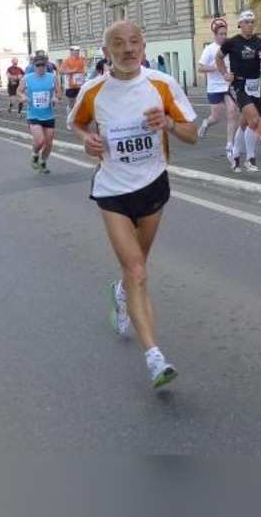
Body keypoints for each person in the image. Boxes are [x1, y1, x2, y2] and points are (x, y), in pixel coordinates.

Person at [68, 20, 198, 390]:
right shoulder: (94, 90)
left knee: (137, 267)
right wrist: (86, 139)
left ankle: (121, 292)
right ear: (106, 51)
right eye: (119, 44)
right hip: (112, 191)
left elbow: (191, 133)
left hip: (153, 185)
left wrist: (169, 124)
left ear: (144, 45)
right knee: (138, 270)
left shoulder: (161, 84)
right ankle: (155, 358)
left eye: (135, 42)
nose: (128, 49)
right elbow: (76, 123)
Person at [216, 10, 261, 173]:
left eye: (252, 22)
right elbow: (218, 57)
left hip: (257, 84)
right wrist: (225, 73)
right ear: (240, 24)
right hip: (239, 84)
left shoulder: (260, 42)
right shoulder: (232, 42)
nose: (249, 25)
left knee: (246, 122)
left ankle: (234, 155)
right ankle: (250, 158)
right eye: (246, 22)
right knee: (254, 120)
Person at [196, 18, 239, 163]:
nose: (224, 36)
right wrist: (216, 67)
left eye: (226, 33)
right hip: (214, 87)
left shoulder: (230, 47)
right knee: (216, 117)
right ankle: (206, 123)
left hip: (226, 86)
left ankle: (229, 145)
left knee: (232, 112)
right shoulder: (209, 49)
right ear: (215, 35)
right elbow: (200, 67)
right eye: (221, 34)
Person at [18, 52, 61, 173]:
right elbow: (19, 91)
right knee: (41, 140)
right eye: (38, 65)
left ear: (46, 65)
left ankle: (43, 162)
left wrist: (56, 98)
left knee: (49, 143)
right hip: (34, 114)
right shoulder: (27, 78)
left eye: (43, 65)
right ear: (34, 66)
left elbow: (59, 92)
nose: (41, 67)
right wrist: (22, 97)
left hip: (48, 114)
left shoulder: (52, 77)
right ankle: (35, 155)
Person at [60, 45, 87, 110]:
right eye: (75, 51)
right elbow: (61, 72)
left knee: (80, 100)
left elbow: (85, 67)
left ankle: (77, 115)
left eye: (78, 51)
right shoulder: (66, 60)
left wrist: (85, 72)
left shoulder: (82, 58)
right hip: (70, 85)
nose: (77, 52)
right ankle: (70, 113)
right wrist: (71, 71)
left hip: (80, 84)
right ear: (71, 52)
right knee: (71, 101)